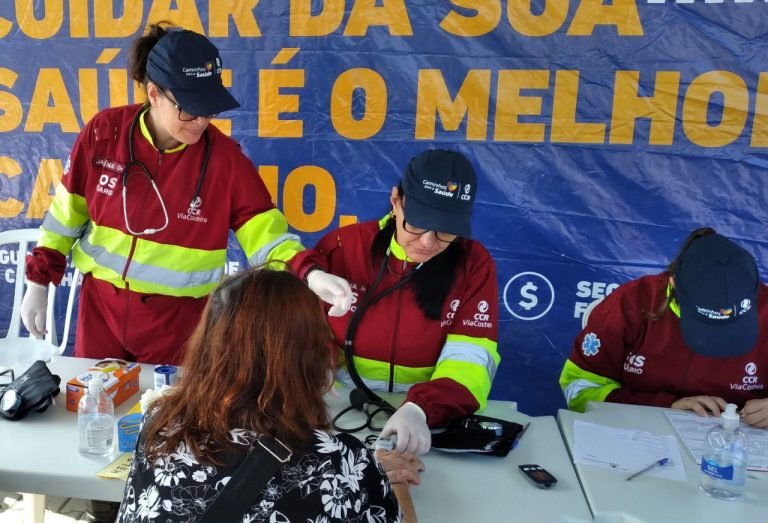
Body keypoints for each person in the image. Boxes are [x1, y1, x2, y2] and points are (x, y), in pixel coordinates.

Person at [19, 24, 347, 365]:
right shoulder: (105, 134)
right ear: (154, 94)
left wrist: (310, 274)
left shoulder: (226, 162)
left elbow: (268, 239)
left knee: (170, 414)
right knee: (95, 410)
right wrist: (39, 281)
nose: (201, 121)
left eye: (210, 109)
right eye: (190, 109)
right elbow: (65, 217)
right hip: (101, 310)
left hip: (179, 325)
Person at [117, 268, 402, 522]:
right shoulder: (344, 463)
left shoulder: (160, 426)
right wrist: (392, 481)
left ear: (207, 345)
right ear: (310, 358)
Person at [290, 149, 500, 455]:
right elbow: (297, 314)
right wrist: (316, 368)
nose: (428, 242)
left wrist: (421, 408)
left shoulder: (474, 264)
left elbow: (470, 361)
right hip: (340, 404)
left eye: (445, 231)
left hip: (427, 417)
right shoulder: (345, 246)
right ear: (396, 201)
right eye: (417, 224)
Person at [560, 228, 768, 428]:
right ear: (674, 283)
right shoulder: (632, 303)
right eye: (704, 323)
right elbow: (579, 387)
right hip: (636, 438)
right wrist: (664, 407)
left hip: (734, 449)